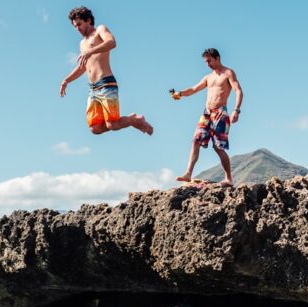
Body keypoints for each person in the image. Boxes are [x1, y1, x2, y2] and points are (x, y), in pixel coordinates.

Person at [60, 6, 153, 135]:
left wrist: (91, 51)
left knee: (112, 124)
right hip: (93, 89)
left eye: (79, 24)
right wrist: (66, 80)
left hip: (106, 83)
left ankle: (134, 119)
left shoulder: (100, 30)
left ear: (88, 20)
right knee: (95, 128)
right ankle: (132, 120)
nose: (77, 29)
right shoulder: (82, 44)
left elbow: (112, 42)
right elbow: (83, 66)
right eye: (75, 26)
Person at [171, 48, 243, 187]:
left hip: (220, 113)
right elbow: (193, 89)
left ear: (217, 58)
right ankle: (188, 173)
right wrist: (179, 94)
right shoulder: (208, 77)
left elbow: (238, 91)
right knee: (196, 140)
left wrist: (236, 110)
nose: (207, 64)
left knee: (218, 147)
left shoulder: (228, 73)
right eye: (206, 61)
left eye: (209, 60)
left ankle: (228, 178)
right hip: (206, 113)